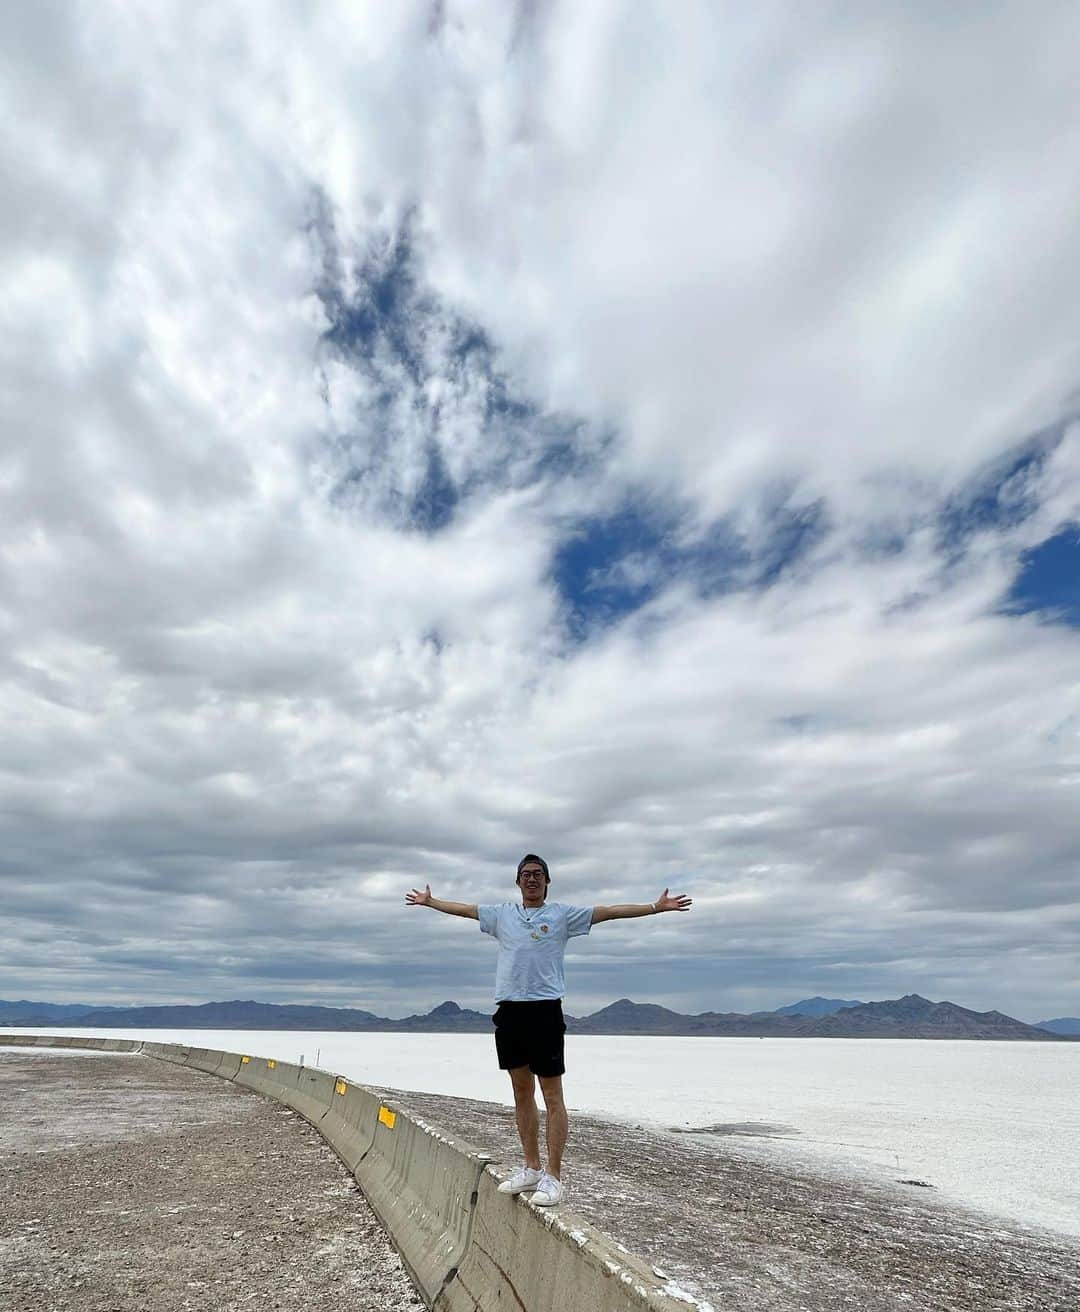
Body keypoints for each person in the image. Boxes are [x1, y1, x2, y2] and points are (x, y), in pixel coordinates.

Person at [405, 853, 692, 1206]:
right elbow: (466, 910)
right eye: (525, 874)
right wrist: (431, 902)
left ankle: (554, 1177)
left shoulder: (562, 916)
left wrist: (655, 907)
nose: (531, 879)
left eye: (538, 874)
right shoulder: (502, 915)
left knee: (552, 1097)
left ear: (547, 881)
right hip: (510, 1011)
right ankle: (531, 1168)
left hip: (545, 1012)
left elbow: (609, 911)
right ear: (517, 881)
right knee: (521, 1094)